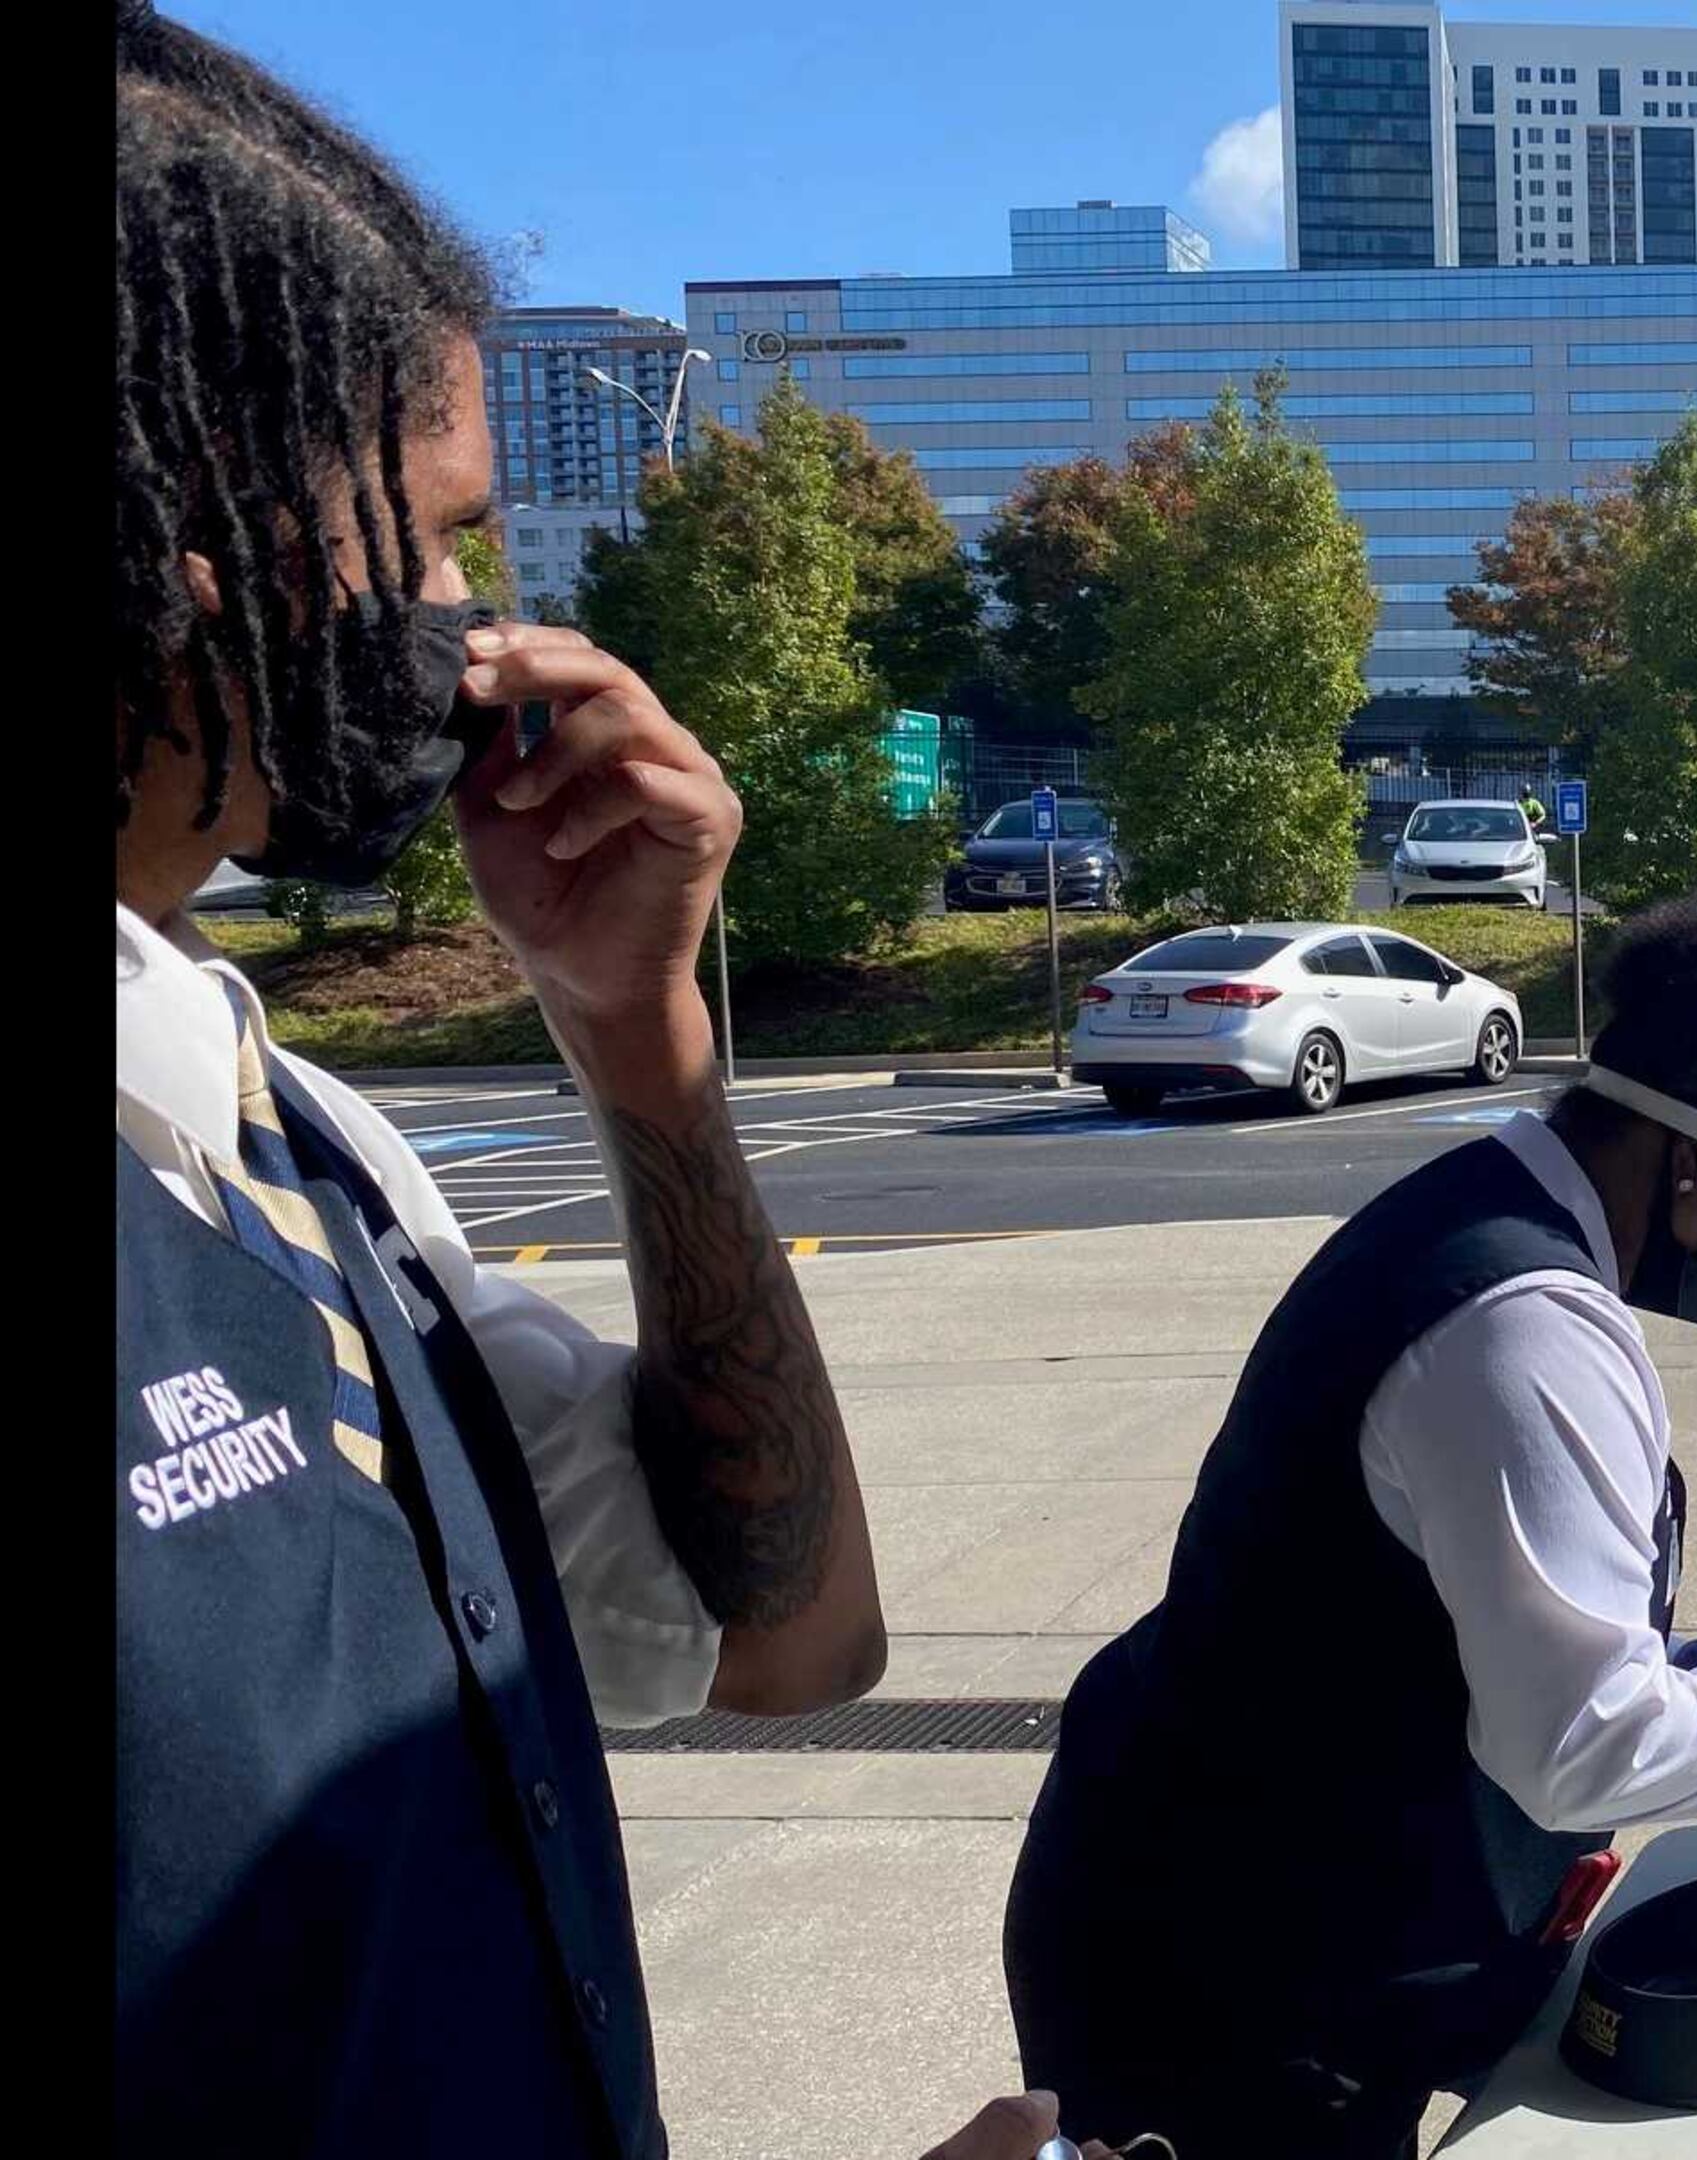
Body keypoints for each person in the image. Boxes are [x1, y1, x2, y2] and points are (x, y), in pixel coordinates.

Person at [113, 16, 1074, 2156]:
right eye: (429, 540)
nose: (473, 630)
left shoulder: (284, 1135)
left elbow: (784, 1637)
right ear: (185, 529)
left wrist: (642, 1045)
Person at [1005, 887, 1697, 2156]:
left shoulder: (1485, 1217)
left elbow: (1439, 1615)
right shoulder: (1521, 1323)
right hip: (1227, 1971)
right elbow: (1587, 1749)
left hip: (1273, 1881)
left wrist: (1696, 1674)